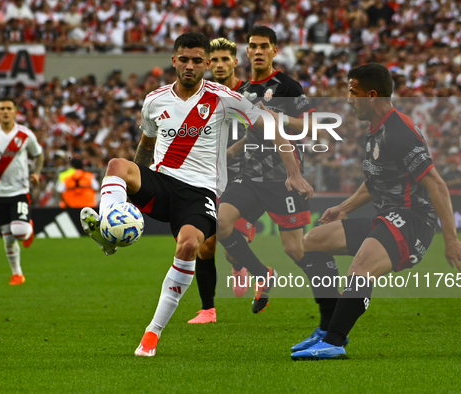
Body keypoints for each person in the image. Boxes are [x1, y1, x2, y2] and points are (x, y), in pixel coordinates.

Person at [79, 32, 313, 357]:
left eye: (197, 60)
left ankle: (151, 335)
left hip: (200, 192)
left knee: (190, 245)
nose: (190, 66)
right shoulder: (154, 100)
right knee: (118, 165)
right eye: (184, 59)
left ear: (206, 64)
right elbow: (146, 147)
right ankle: (110, 226)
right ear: (174, 61)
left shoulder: (223, 98)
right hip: (162, 184)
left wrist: (293, 172)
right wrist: (132, 191)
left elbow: (271, 125)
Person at [290, 63, 461, 360]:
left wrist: (451, 239)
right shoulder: (377, 129)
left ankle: (335, 341)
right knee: (312, 241)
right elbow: (375, 179)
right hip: (387, 217)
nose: (349, 100)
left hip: (412, 221)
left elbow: (437, 185)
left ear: (371, 96)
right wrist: (343, 207)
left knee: (360, 269)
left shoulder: (399, 130)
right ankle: (328, 327)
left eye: (354, 93)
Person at [217, 26, 317, 314]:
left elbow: (311, 126)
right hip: (248, 176)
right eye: (253, 46)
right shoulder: (243, 91)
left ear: (274, 50)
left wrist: (281, 118)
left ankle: (330, 289)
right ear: (246, 52)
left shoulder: (288, 87)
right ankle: (261, 273)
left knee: (294, 249)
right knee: (222, 226)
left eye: (264, 46)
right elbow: (255, 130)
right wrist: (232, 151)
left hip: (281, 177)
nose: (258, 51)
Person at [187, 37, 256, 324]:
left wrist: (233, 150)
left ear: (235, 63)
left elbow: (261, 129)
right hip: (209, 176)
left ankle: (243, 264)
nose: (218, 65)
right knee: (207, 245)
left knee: (226, 237)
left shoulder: (248, 94)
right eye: (213, 60)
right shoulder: (199, 93)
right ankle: (208, 309)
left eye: (224, 60)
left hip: (248, 177)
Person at [0, 97, 44, 286]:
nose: (5, 111)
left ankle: (27, 228)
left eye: (9, 108)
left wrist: (37, 173)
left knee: (19, 232)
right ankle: (17, 274)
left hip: (19, 190)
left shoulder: (25, 134)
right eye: (2, 108)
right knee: (7, 237)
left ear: (15, 112)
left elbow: (39, 154)